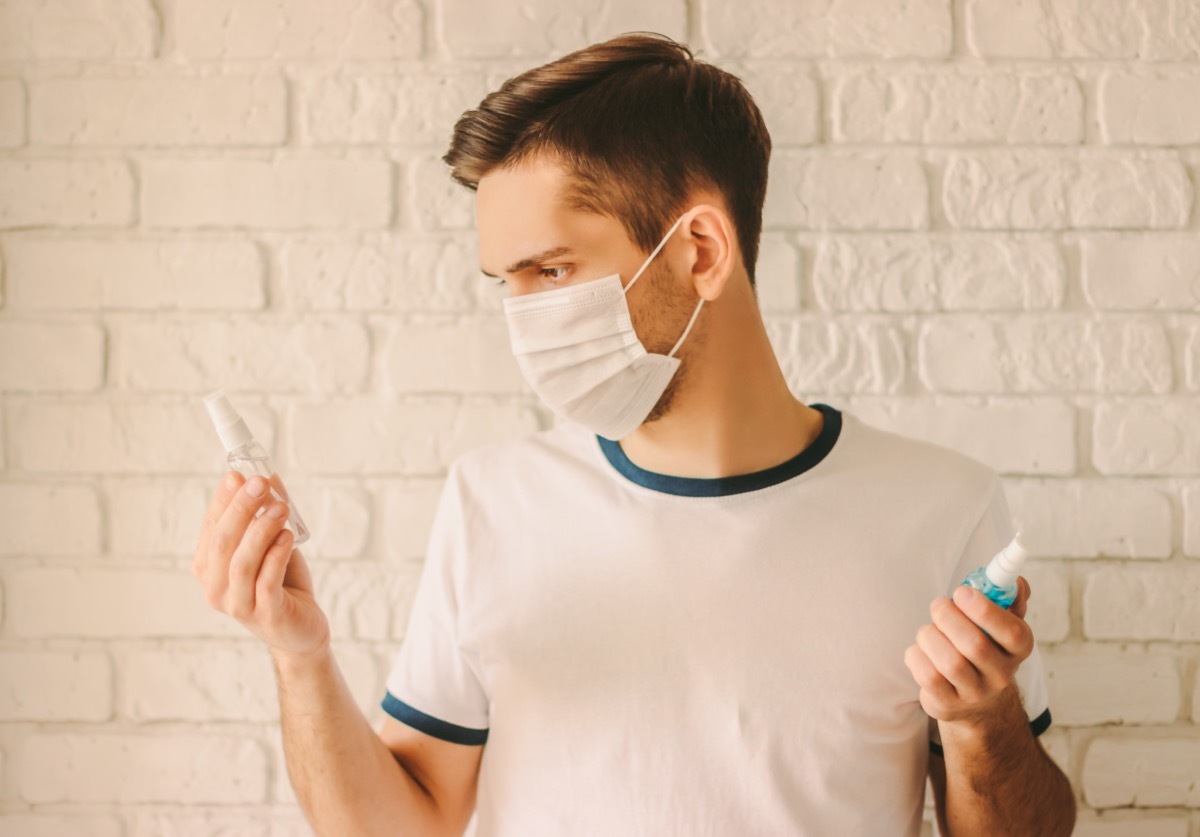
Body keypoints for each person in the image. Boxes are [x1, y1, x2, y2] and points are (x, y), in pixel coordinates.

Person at [192, 32, 1076, 836]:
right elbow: (401, 826)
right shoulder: (493, 500)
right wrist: (299, 655)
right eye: (506, 280)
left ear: (699, 250)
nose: (523, 316)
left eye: (553, 268)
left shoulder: (941, 508)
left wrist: (980, 721)